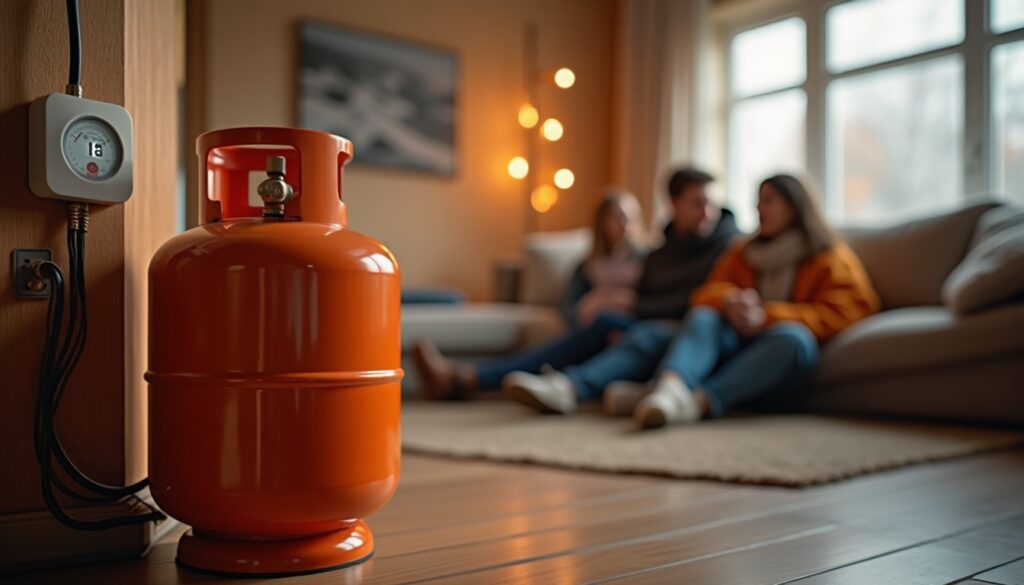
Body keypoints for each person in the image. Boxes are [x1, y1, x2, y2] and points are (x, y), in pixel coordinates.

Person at [503, 174, 881, 428]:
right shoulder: (742, 252)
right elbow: (707, 292)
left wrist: (767, 316)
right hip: (730, 345)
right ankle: (577, 388)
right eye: (758, 201)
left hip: (773, 359)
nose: (759, 210)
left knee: (793, 339)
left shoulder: (829, 256)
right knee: (693, 320)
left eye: (769, 201)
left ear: (795, 207)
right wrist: (731, 300)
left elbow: (854, 308)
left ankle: (693, 402)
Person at [413, 167, 741, 401]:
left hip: (688, 332)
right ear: (674, 203)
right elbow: (629, 296)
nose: (707, 213)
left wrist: (632, 307)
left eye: (711, 202)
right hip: (639, 323)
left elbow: (697, 300)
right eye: (697, 203)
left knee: (617, 323)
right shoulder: (659, 252)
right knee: (606, 322)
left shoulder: (725, 246)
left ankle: (478, 378)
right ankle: (471, 378)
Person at [560, 188, 647, 328]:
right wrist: (591, 306)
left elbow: (654, 303)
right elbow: (569, 307)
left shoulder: (649, 260)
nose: (624, 225)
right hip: (594, 323)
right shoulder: (588, 265)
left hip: (629, 324)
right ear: (602, 222)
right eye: (617, 218)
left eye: (630, 218)